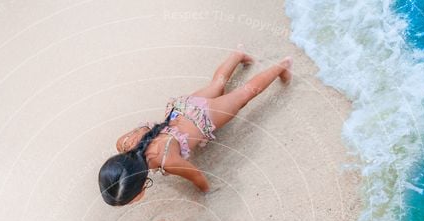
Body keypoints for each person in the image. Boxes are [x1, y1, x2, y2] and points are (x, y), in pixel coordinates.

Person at [98, 46, 293, 206]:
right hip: (180, 108)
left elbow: (195, 174)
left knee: (244, 95)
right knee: (216, 85)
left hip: (204, 117)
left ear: (140, 189)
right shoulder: (123, 142)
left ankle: (282, 65)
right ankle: (237, 54)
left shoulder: (166, 159)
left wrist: (208, 191)